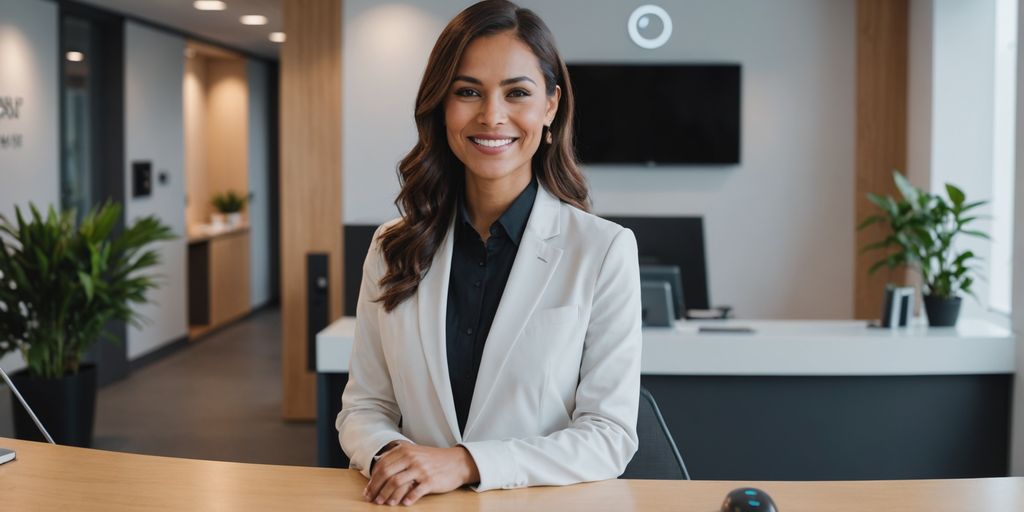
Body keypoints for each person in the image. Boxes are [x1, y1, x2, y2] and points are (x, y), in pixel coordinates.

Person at [337, 0, 641, 506]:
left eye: (517, 92)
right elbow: (364, 407)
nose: (491, 116)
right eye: (468, 92)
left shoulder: (603, 249)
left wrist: (465, 462)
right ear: (441, 105)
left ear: (550, 106)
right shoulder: (393, 245)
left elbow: (609, 436)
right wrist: (397, 458)